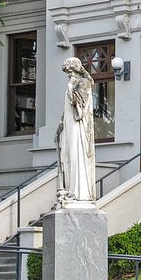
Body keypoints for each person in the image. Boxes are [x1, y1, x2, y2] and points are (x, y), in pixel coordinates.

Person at [55, 57, 96, 202]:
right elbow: (67, 111)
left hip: (78, 129)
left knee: (75, 155)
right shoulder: (73, 83)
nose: (68, 76)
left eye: (70, 72)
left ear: (77, 70)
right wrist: (61, 126)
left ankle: (79, 193)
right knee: (67, 157)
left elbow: (79, 110)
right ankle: (70, 190)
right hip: (69, 127)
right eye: (67, 73)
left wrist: (71, 86)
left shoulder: (83, 83)